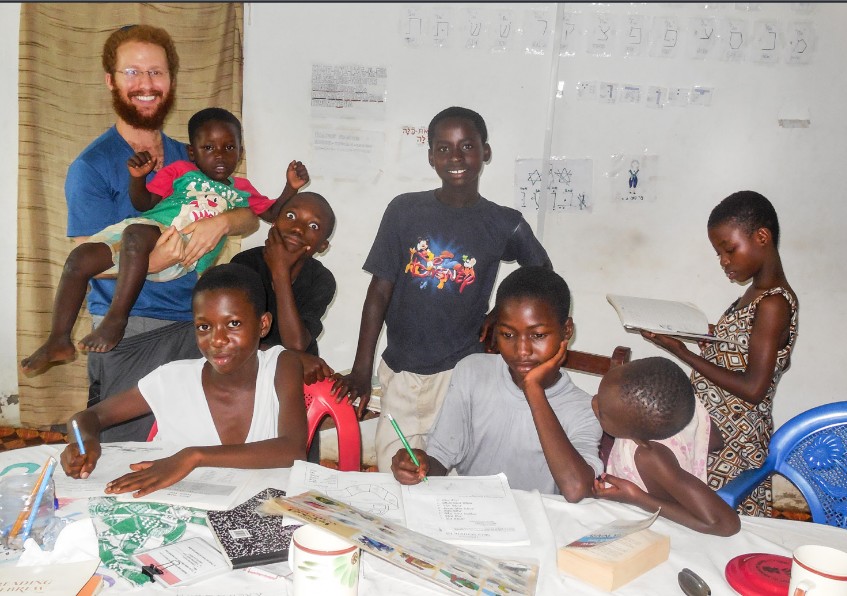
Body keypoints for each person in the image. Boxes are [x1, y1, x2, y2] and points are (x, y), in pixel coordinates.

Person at [54, 25, 276, 442]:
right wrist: (163, 259)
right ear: (111, 80)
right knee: (124, 447)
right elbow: (87, 260)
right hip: (131, 329)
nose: (146, 84)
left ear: (170, 81)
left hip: (198, 325)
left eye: (156, 72)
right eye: (132, 72)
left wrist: (222, 222)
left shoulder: (191, 153)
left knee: (189, 443)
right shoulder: (93, 166)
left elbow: (247, 213)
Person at [335, 106, 552, 472]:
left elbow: (542, 274)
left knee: (448, 474)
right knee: (395, 472)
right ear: (431, 156)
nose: (456, 157)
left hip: (461, 373)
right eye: (444, 148)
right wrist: (361, 368)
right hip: (401, 371)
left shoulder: (503, 222)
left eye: (467, 146)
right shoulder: (404, 210)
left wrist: (501, 312)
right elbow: (378, 293)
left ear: (486, 152)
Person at [22, 107, 308, 373]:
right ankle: (58, 339)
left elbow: (271, 213)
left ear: (240, 152)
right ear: (192, 154)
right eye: (209, 148)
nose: (220, 155)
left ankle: (116, 319)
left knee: (135, 233)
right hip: (148, 230)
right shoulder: (180, 172)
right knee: (79, 258)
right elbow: (144, 203)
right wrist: (138, 178)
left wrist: (290, 188)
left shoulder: (242, 191)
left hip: (181, 251)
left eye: (229, 148)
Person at [60, 263, 309, 497]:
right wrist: (85, 443)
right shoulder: (172, 379)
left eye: (233, 324)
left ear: (263, 325)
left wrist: (192, 456)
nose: (217, 340)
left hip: (257, 509)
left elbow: (292, 449)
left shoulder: (280, 366)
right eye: (204, 327)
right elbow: (85, 418)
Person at [642, 191, 798, 517]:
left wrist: (682, 352)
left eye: (729, 250)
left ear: (762, 237)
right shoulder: (751, 296)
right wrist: (707, 341)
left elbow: (754, 388)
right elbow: (742, 353)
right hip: (713, 432)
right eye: (719, 254)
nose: (724, 261)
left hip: (734, 442)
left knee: (720, 523)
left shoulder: (773, 304)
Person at [390, 267, 601, 500]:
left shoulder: (584, 409)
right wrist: (419, 464)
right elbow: (440, 459)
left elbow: (577, 490)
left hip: (540, 527)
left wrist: (533, 389)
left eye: (538, 335)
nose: (522, 351)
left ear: (567, 330)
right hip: (472, 513)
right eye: (508, 335)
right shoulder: (472, 372)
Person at [592, 357, 740, 536]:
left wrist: (637, 497)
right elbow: (714, 440)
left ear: (638, 438)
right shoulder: (680, 408)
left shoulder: (650, 457)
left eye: (602, 413)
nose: (593, 401)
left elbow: (726, 524)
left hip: (658, 532)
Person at [231, 192, 336, 356]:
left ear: (323, 246)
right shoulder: (244, 264)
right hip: (249, 362)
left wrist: (280, 272)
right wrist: (282, 356)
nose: (298, 229)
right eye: (291, 215)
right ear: (274, 222)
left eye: (313, 226)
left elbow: (296, 344)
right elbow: (233, 334)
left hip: (298, 367)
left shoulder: (321, 279)